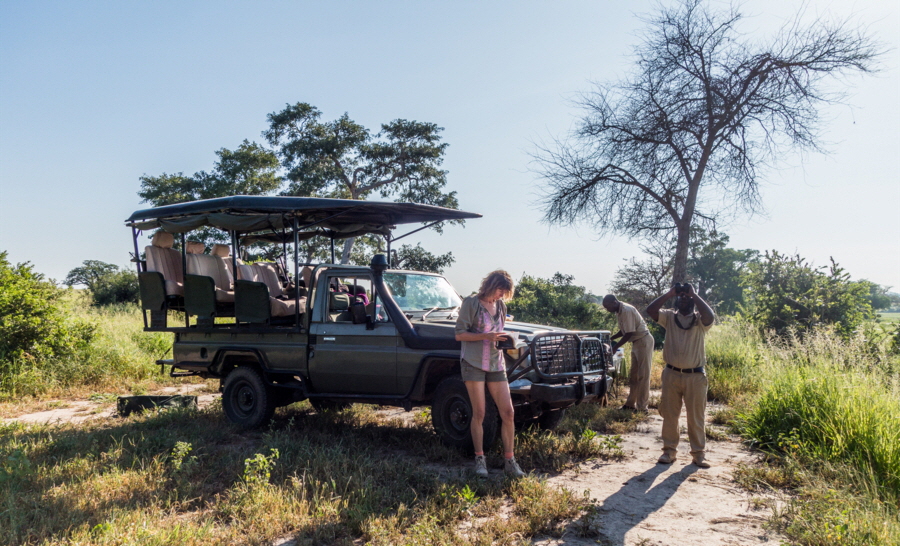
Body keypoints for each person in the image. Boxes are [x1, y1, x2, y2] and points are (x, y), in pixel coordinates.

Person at [454, 270, 525, 478]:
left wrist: (508, 338)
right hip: (473, 362)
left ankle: (510, 461)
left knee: (508, 412)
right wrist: (486, 335)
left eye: (505, 292)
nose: (502, 295)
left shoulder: (501, 306)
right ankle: (479, 460)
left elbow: (498, 332)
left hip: (496, 363)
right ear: (491, 285)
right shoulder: (471, 303)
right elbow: (459, 334)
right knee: (480, 414)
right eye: (500, 290)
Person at [646, 282, 715, 468]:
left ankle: (699, 454)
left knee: (696, 417)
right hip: (671, 374)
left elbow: (711, 316)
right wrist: (669, 294)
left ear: (693, 301)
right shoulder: (669, 317)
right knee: (670, 415)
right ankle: (669, 451)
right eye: (681, 296)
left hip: (695, 376)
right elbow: (650, 310)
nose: (684, 299)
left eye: (687, 297)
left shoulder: (700, 320)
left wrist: (695, 295)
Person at [602, 294, 654, 412]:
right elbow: (624, 330)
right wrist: (610, 339)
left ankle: (642, 408)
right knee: (634, 376)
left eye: (607, 306)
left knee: (643, 376)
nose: (607, 309)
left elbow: (629, 333)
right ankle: (630, 404)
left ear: (614, 302)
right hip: (636, 343)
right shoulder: (619, 312)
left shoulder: (626, 310)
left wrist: (616, 347)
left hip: (643, 341)